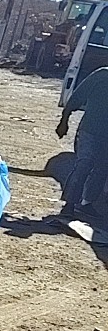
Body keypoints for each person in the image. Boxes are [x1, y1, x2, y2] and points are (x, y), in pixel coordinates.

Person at [57, 66, 108, 220]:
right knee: (84, 164)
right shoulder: (101, 75)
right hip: (90, 130)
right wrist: (64, 120)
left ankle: (86, 203)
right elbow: (77, 97)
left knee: (101, 169)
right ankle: (69, 205)